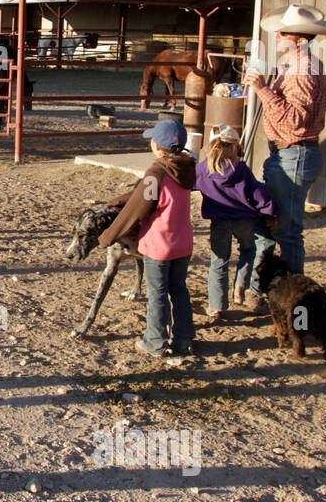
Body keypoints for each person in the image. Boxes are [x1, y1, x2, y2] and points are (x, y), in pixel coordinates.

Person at [243, 4, 326, 300]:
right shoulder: (302, 66)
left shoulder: (302, 71)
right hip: (289, 154)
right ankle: (266, 288)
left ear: (299, 38)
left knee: (286, 230)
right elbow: (324, 100)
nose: (278, 35)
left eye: (283, 32)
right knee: (271, 223)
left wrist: (262, 89)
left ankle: (295, 296)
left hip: (293, 154)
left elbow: (297, 119)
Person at [99, 120, 198, 357]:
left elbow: (139, 207)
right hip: (183, 244)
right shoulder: (186, 168)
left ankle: (155, 342)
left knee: (157, 294)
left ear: (158, 146)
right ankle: (184, 339)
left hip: (159, 246)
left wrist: (108, 237)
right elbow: (146, 192)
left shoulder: (157, 171)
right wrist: (120, 199)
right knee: (180, 290)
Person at [195, 125, 278, 321]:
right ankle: (240, 287)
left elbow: (185, 184)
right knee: (249, 251)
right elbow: (258, 194)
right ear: (234, 146)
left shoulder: (202, 169)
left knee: (219, 261)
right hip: (244, 221)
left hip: (219, 223)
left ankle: (216, 306)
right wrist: (271, 213)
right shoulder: (241, 169)